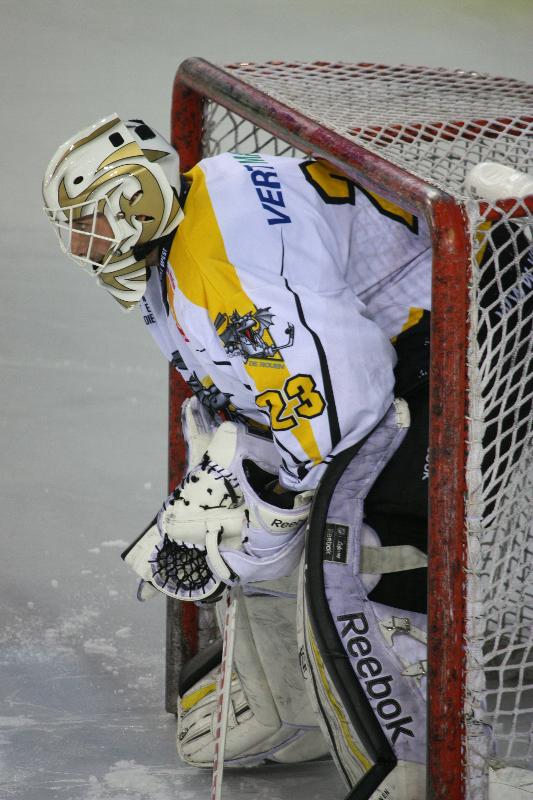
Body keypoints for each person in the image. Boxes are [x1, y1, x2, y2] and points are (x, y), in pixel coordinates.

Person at [43, 114, 432, 797]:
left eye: (86, 223)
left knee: (368, 520)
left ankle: (415, 706)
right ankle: (301, 700)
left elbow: (347, 405)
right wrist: (245, 465)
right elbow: (274, 373)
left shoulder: (217, 271)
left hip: (478, 316)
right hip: (416, 316)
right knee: (265, 506)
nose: (79, 246)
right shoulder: (196, 212)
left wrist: (274, 512)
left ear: (133, 202)